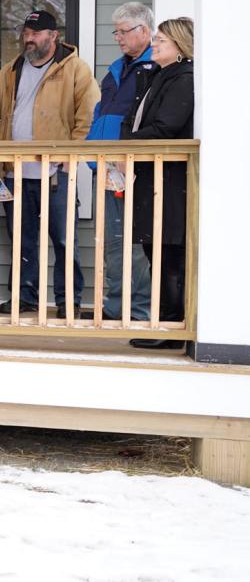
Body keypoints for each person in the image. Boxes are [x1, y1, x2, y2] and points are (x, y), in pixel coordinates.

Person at [0, 10, 98, 316]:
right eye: (26, 33)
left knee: (64, 239)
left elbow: (88, 116)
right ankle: (25, 296)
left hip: (56, 171)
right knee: (22, 239)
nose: (29, 38)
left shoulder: (75, 69)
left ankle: (68, 301)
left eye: (36, 33)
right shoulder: (11, 70)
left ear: (53, 35)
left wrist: (69, 157)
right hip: (14, 170)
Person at [121, 17, 194, 349]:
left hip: (170, 179)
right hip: (149, 176)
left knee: (169, 254)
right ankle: (162, 320)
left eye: (161, 40)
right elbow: (133, 118)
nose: (154, 42)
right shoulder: (155, 76)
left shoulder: (183, 78)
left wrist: (129, 144)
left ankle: (171, 326)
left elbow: (168, 126)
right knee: (155, 250)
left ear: (179, 46)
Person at [88, 2, 157, 321]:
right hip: (107, 166)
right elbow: (101, 112)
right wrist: (93, 150)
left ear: (144, 30)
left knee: (138, 242)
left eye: (123, 31)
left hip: (135, 168)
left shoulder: (156, 69)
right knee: (112, 242)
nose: (117, 37)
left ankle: (141, 309)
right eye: (115, 30)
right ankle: (115, 307)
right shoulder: (115, 71)